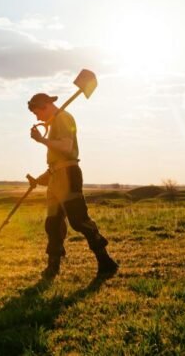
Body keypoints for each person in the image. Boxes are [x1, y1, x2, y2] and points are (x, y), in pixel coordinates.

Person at [27, 92, 118, 279]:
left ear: (44, 105)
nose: (37, 117)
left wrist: (41, 140)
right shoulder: (54, 122)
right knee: (52, 224)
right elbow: (57, 160)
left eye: (37, 112)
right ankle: (53, 267)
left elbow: (67, 149)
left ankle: (105, 261)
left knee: (79, 220)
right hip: (56, 175)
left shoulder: (64, 118)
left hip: (68, 175)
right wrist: (41, 178)